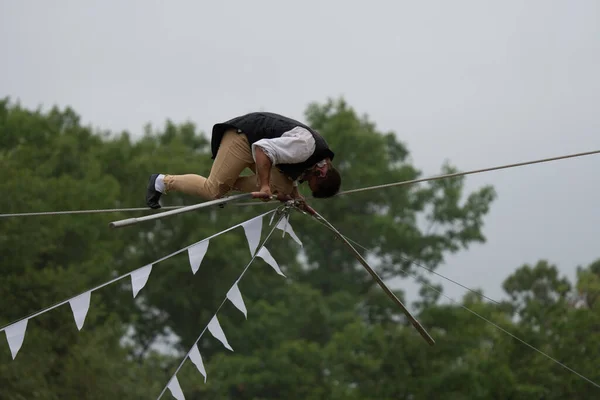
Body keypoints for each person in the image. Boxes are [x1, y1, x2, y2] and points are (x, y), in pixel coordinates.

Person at [145, 111, 341, 209]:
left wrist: (296, 197)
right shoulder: (305, 147)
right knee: (213, 191)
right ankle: (162, 181)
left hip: (260, 149)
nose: (306, 181)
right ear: (322, 173)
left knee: (283, 188)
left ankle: (225, 185)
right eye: (311, 183)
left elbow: (289, 174)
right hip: (243, 139)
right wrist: (264, 186)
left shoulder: (316, 161)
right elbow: (263, 150)